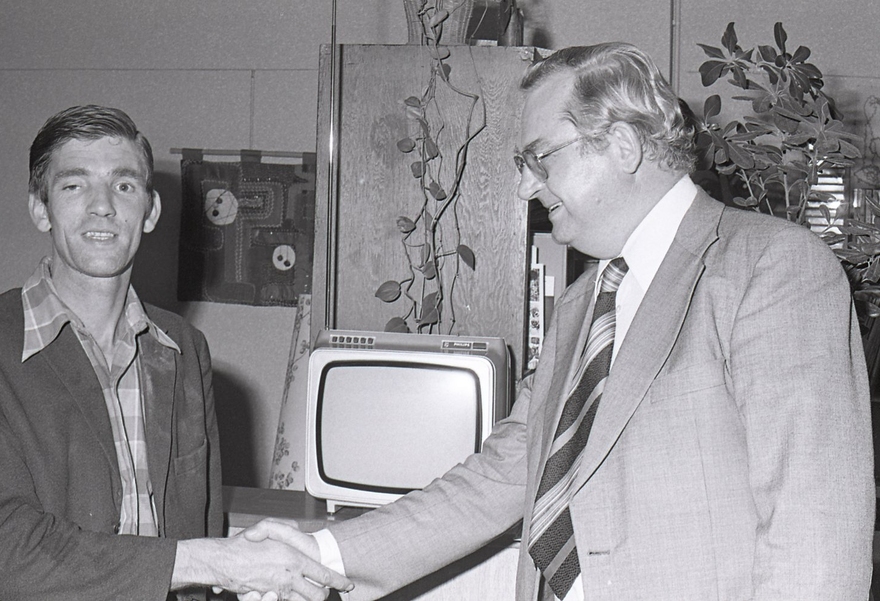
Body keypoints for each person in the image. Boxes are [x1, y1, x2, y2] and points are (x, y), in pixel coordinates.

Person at [243, 42, 876, 600]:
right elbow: (501, 475)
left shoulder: (771, 267)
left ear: (622, 145)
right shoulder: (581, 304)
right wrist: (322, 554)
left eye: (540, 158)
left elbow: (816, 537)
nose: (526, 187)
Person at [0, 105, 352, 601]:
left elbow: (199, 523)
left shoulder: (183, 348)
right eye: (73, 185)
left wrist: (233, 571)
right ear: (40, 209)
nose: (102, 206)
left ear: (150, 210)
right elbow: (8, 548)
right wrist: (222, 563)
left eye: (123, 185)